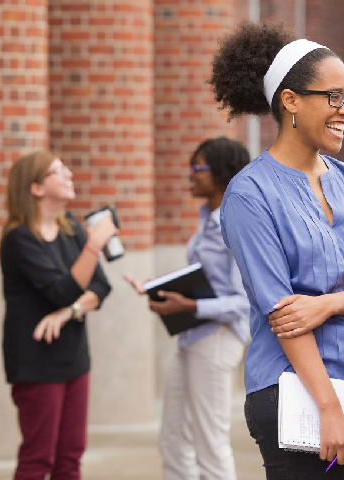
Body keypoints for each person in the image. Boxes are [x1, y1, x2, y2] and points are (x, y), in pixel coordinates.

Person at [208, 22, 344, 478]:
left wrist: (325, 305)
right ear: (291, 100)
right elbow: (284, 315)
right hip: (294, 395)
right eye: (334, 96)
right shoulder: (249, 194)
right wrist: (329, 409)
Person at [122, 137, 252, 480]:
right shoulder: (207, 216)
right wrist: (164, 288)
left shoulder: (234, 223)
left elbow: (244, 301)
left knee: (210, 442)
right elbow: (206, 279)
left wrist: (190, 305)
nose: (190, 175)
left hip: (218, 340)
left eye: (198, 168)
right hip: (192, 338)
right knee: (173, 439)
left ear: (223, 172)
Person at [0, 150, 115, 480]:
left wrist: (69, 313)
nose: (70, 175)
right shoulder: (20, 239)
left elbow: (100, 288)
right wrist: (94, 245)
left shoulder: (71, 230)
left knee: (70, 458)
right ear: (36, 188)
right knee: (38, 459)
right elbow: (62, 289)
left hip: (74, 358)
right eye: (58, 171)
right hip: (36, 363)